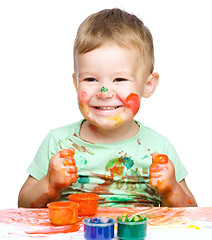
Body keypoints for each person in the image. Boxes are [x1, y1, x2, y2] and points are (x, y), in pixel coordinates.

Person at [18, 8, 197, 208]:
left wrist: (171, 189)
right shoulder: (58, 143)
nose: (104, 92)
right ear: (76, 83)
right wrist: (49, 185)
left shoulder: (158, 147)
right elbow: (24, 205)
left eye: (119, 79)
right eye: (90, 79)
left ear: (148, 85)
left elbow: (190, 212)